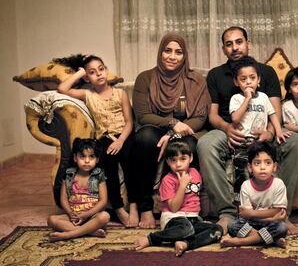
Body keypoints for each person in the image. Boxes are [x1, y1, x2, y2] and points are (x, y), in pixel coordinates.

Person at [197, 26, 298, 235]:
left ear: (248, 43)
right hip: (229, 130)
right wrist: (227, 127)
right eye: (229, 44)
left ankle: (282, 213)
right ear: (223, 49)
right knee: (205, 143)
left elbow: (275, 110)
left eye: (239, 42)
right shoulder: (215, 75)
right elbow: (212, 115)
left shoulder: (266, 72)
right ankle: (228, 212)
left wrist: (270, 132)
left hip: (262, 131)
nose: (235, 47)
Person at [131, 33, 211, 229]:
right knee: (144, 138)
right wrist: (171, 123)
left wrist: (174, 134)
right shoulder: (145, 78)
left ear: (184, 56)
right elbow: (142, 115)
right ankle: (146, 208)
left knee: (188, 146)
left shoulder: (195, 80)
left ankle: (180, 208)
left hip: (185, 131)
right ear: (160, 52)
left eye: (178, 52)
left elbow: (200, 117)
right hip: (156, 127)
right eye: (167, 51)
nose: (172, 57)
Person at [57, 55, 137, 228]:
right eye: (92, 72)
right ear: (87, 77)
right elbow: (62, 89)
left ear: (106, 70)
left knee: (130, 158)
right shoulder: (88, 94)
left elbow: (130, 121)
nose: (99, 74)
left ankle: (134, 205)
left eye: (101, 69)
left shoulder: (120, 93)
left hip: (124, 135)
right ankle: (118, 207)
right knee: (108, 161)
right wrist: (80, 72)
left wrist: (121, 140)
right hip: (105, 138)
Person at [132, 139, 223, 257]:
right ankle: (151, 239)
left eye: (183, 159)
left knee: (217, 229)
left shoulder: (195, 173)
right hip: (173, 218)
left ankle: (186, 244)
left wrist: (201, 220)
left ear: (190, 158)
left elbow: (198, 196)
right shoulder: (168, 180)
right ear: (168, 162)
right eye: (173, 160)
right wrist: (182, 186)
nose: (178, 164)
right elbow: (174, 208)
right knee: (186, 229)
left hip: (193, 219)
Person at [229, 56, 291, 196]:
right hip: (243, 143)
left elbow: (272, 114)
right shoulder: (237, 98)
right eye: (243, 79)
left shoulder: (263, 97)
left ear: (259, 80)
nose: (248, 82)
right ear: (236, 82)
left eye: (252, 78)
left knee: (262, 173)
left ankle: (265, 200)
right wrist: (247, 99)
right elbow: (235, 118)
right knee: (242, 175)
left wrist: (279, 131)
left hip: (260, 143)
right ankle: (242, 204)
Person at [220, 142, 288, 248]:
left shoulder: (278, 184)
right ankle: (272, 240)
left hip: (270, 223)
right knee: (232, 225)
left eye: (267, 163)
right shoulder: (246, 186)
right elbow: (246, 216)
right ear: (250, 168)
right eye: (257, 163)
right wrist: (271, 217)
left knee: (282, 227)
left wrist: (252, 213)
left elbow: (276, 211)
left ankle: (241, 241)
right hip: (253, 224)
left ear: (274, 167)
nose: (262, 167)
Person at [47, 138, 110, 242]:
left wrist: (86, 214)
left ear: (97, 159)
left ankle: (70, 234)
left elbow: (103, 201)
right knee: (51, 220)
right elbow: (63, 199)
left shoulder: (98, 175)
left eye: (92, 157)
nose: (87, 160)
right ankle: (90, 232)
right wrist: (70, 213)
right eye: (82, 156)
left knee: (105, 216)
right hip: (74, 216)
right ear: (75, 158)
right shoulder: (69, 175)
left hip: (92, 216)